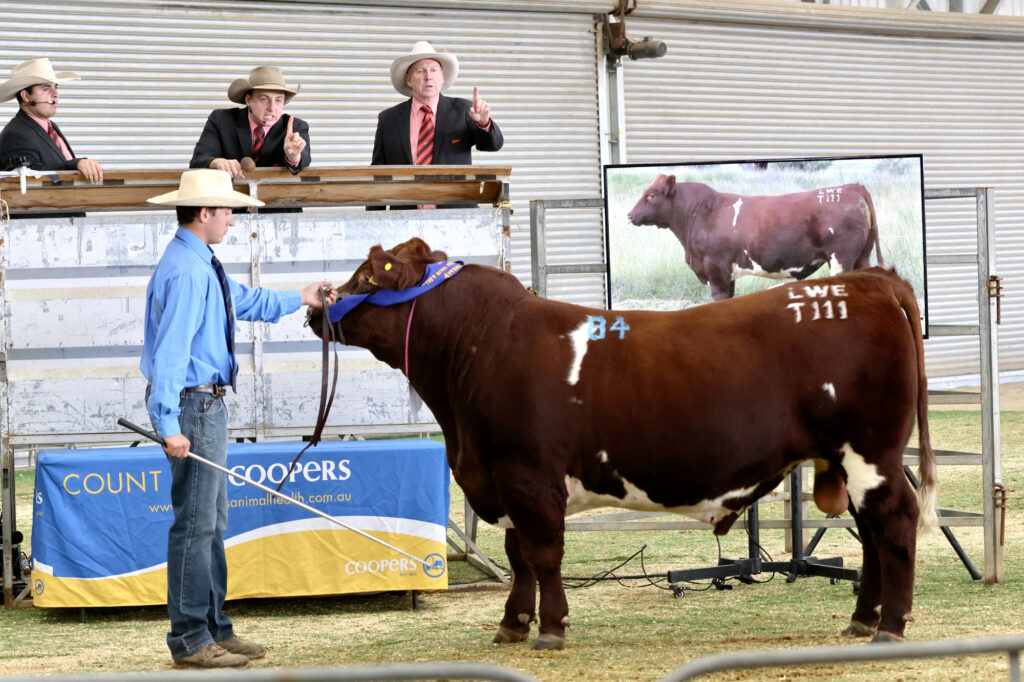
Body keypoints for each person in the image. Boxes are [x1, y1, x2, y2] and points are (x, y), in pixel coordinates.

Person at [141, 168, 335, 668]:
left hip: (203, 405)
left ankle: (213, 628)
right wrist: (168, 423)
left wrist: (300, 297)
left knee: (210, 522)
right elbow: (171, 352)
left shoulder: (198, 262)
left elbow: (241, 301)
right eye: (227, 210)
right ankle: (191, 638)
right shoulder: (188, 271)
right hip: (194, 406)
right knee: (196, 524)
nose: (232, 218)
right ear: (204, 212)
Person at [371, 42, 503, 208]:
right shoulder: (389, 119)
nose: (428, 76)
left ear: (442, 77)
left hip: (456, 215)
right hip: (405, 215)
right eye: (420, 71)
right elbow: (377, 174)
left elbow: (493, 145)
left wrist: (483, 123)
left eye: (433, 70)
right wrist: (374, 218)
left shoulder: (462, 110)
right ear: (408, 79)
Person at [190, 66, 310, 178]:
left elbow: (304, 160)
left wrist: (293, 156)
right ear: (248, 100)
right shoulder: (221, 120)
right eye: (264, 99)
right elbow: (198, 160)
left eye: (278, 100)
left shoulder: (295, 127)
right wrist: (215, 162)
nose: (272, 108)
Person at [0, 58, 104, 183]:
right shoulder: (16, 134)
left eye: (56, 87)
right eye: (46, 88)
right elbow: (32, 176)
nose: (55, 94)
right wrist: (76, 164)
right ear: (26, 96)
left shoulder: (50, 126)